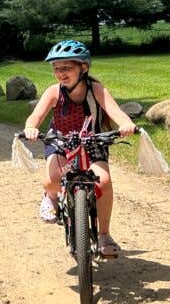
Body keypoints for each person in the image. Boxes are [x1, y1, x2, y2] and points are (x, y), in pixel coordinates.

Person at [23, 39, 135, 258]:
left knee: (103, 181)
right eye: (56, 68)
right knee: (52, 180)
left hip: (93, 141)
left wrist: (125, 124)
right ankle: (51, 197)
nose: (61, 73)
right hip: (61, 141)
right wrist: (31, 128)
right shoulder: (54, 92)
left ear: (83, 67)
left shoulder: (96, 89)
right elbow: (35, 116)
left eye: (66, 67)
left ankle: (104, 234)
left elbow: (115, 112)